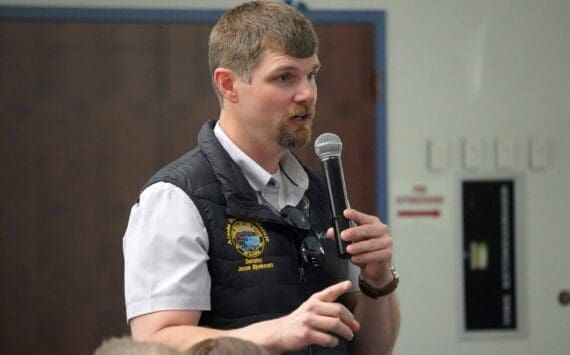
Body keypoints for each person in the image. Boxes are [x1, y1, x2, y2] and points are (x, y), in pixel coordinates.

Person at [122, 1, 400, 354]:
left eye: (311, 74)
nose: (307, 94)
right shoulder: (176, 198)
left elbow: (370, 349)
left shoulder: (318, 191)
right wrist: (276, 333)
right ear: (228, 85)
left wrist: (379, 281)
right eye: (285, 77)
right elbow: (155, 342)